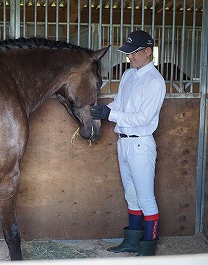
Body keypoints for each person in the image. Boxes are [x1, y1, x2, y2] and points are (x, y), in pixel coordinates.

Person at [91, 30, 166, 256]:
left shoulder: (155, 82)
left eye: (133, 53)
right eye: (128, 53)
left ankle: (148, 248)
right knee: (131, 195)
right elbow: (120, 103)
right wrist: (103, 111)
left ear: (148, 51)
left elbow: (143, 118)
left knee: (146, 198)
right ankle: (132, 242)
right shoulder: (128, 75)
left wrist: (110, 115)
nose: (129, 57)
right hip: (123, 142)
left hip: (141, 144)